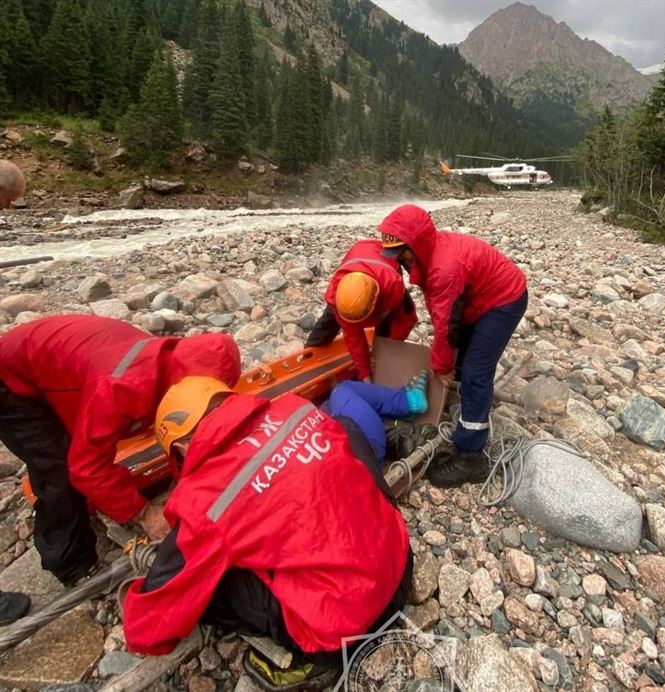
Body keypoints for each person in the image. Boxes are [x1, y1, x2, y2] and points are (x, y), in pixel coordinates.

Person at [121, 372, 428, 690]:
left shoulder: (207, 499)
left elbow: (147, 628)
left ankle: (310, 659)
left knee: (212, 579)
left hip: (348, 632)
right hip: (401, 564)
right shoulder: (295, 409)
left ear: (183, 447)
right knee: (345, 434)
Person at [0, 315, 241, 585]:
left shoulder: (176, 358)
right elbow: (85, 466)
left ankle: (99, 503)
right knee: (58, 471)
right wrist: (146, 513)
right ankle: (73, 566)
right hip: (10, 380)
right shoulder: (120, 389)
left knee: (84, 444)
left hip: (59, 363)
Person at [379, 204, 528, 488]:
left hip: (503, 300)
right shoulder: (425, 252)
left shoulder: (443, 269)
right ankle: (463, 404)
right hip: (478, 297)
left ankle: (471, 456)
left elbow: (446, 325)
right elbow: (450, 323)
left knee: (475, 373)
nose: (398, 260)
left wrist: (440, 365)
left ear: (417, 244)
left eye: (401, 252)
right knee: (458, 357)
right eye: (393, 253)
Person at [305, 239, 417, 382]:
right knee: (329, 320)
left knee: (386, 330)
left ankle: (380, 353)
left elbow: (406, 320)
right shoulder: (336, 295)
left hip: (383, 265)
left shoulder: (392, 286)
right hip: (360, 257)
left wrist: (384, 351)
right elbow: (353, 337)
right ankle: (309, 355)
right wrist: (364, 373)